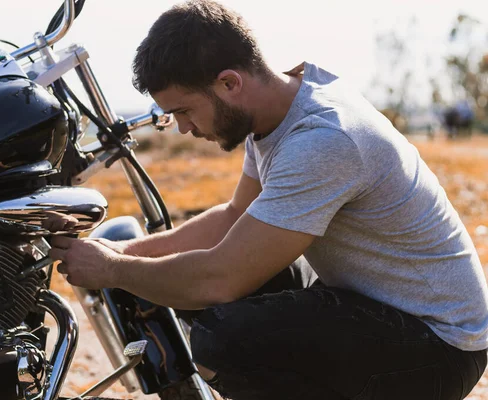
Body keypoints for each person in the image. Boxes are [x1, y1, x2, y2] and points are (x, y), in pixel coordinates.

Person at [49, 1, 488, 399]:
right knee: (202, 284)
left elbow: (218, 280)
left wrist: (110, 269)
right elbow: (235, 216)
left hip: (439, 345)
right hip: (382, 309)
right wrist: (125, 251)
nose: (183, 128)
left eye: (184, 111)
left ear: (229, 83)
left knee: (224, 339)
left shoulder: (322, 139)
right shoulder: (278, 110)